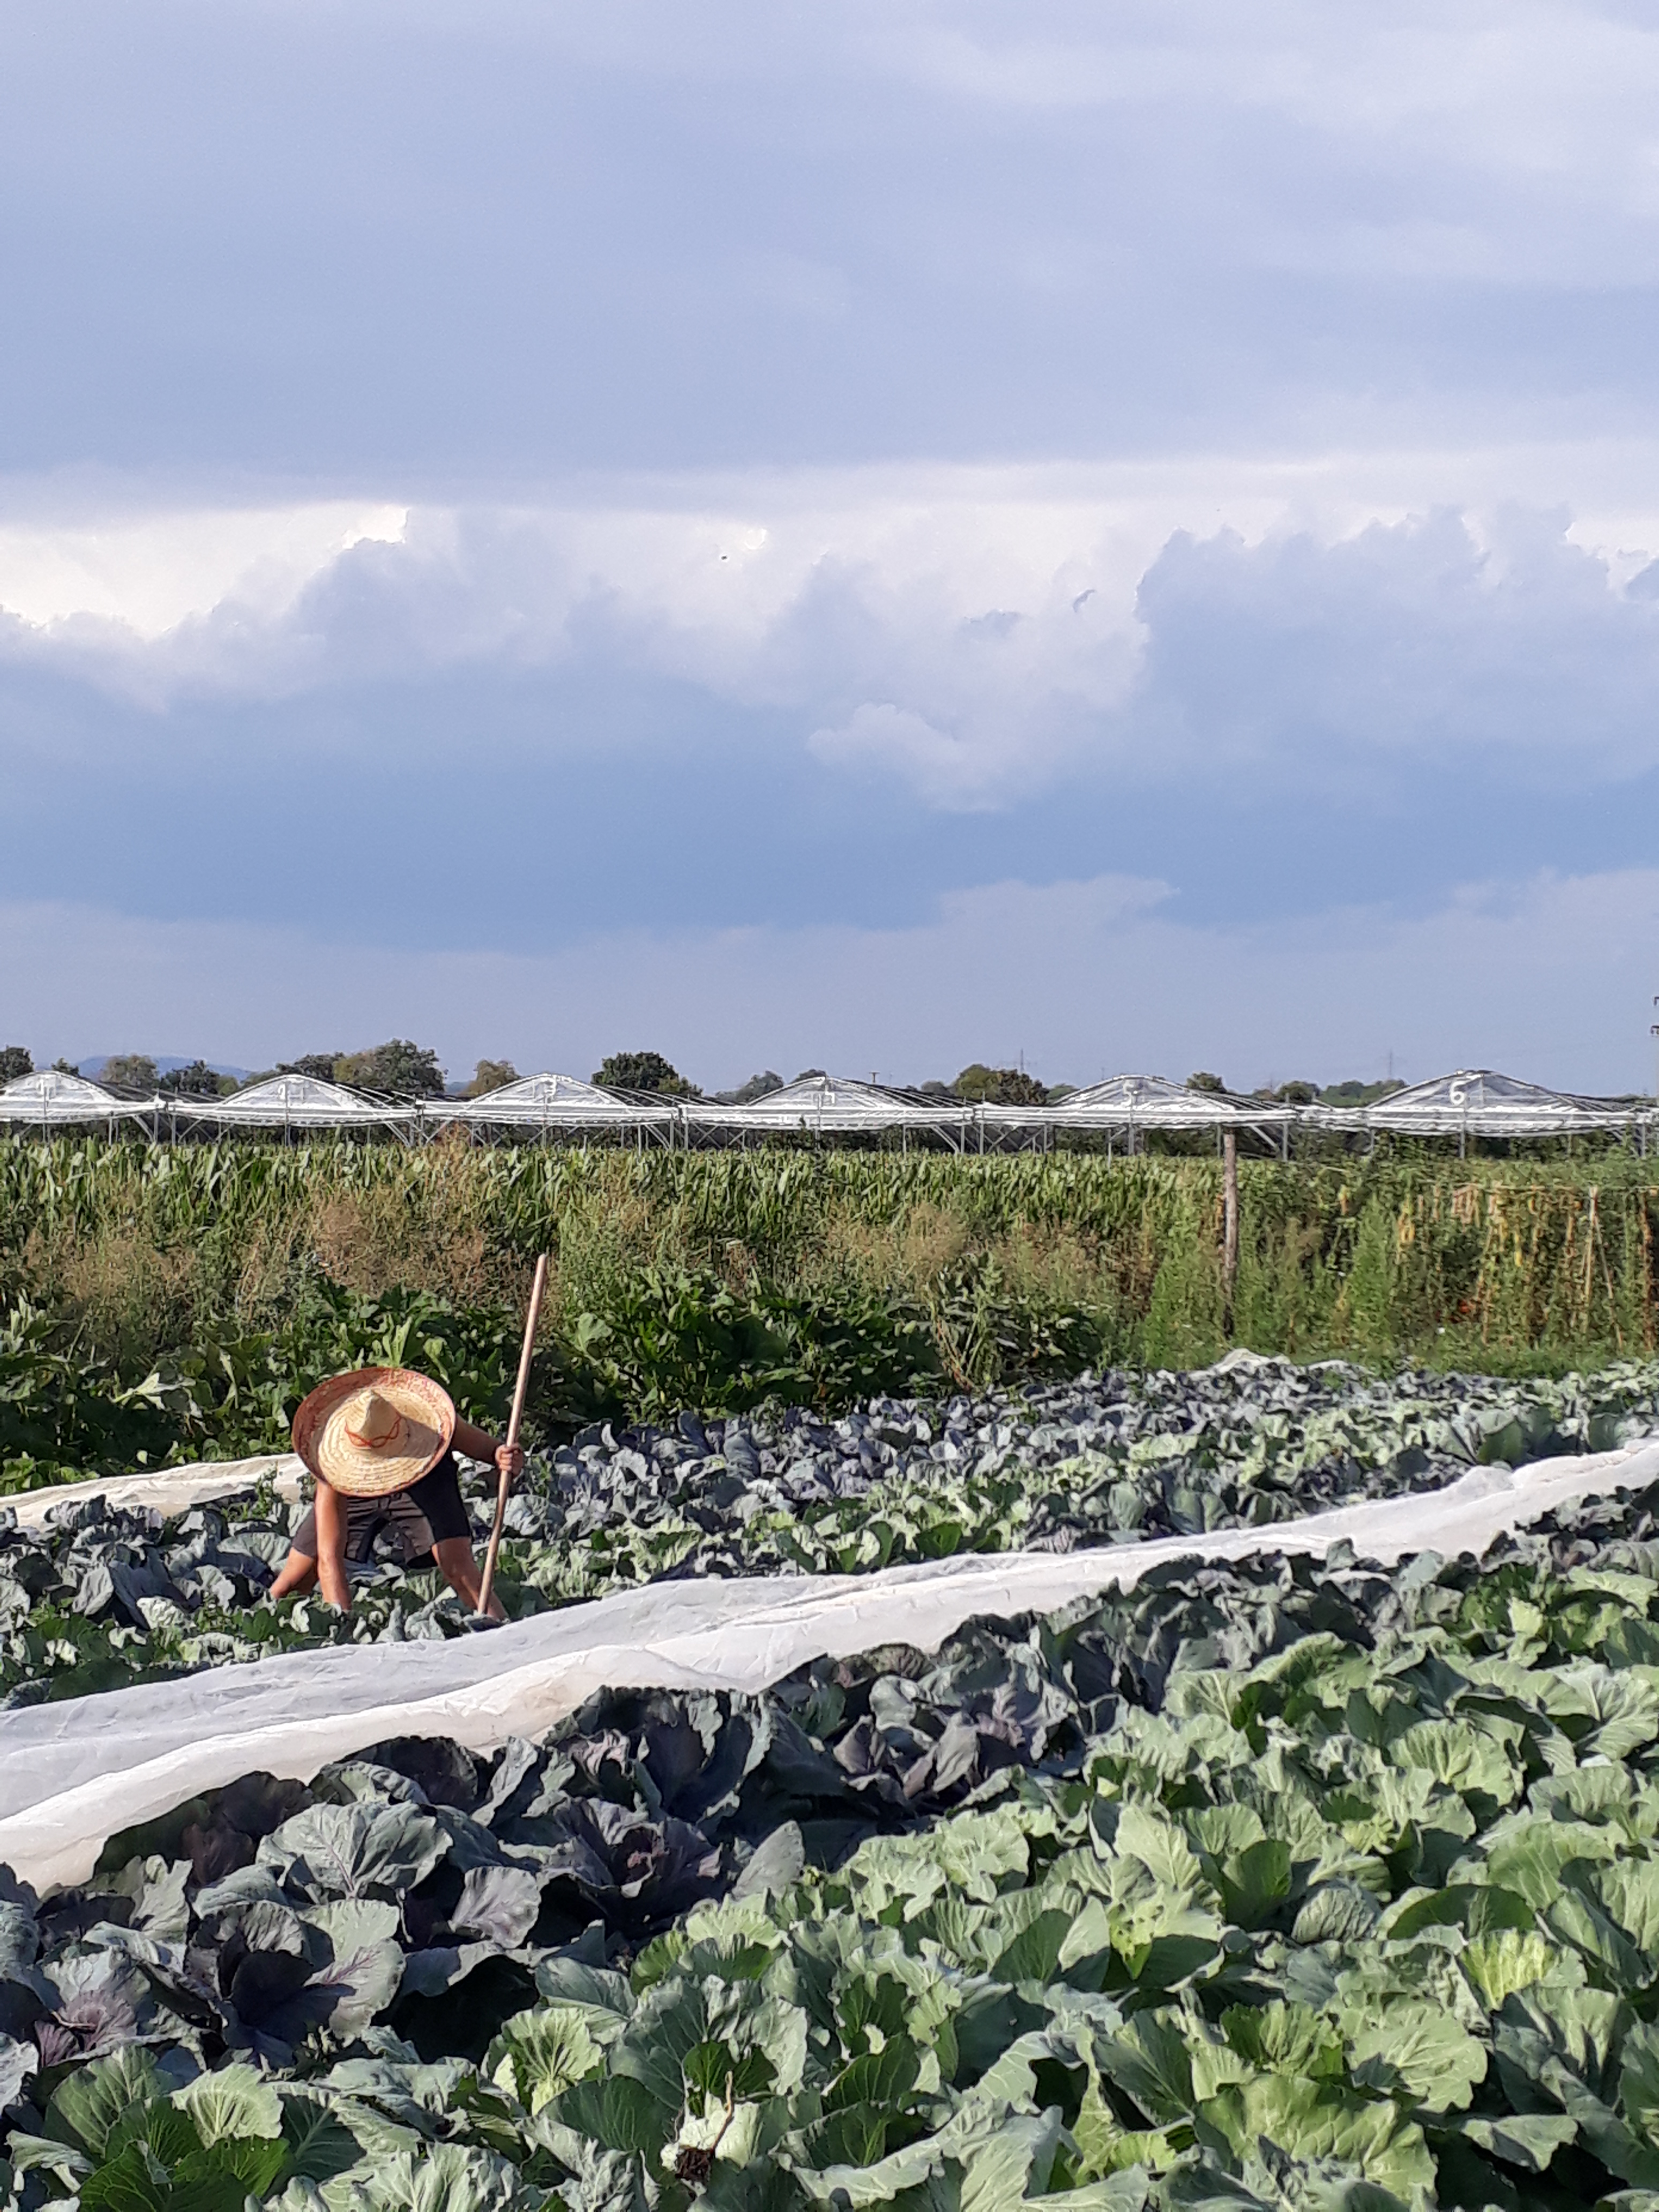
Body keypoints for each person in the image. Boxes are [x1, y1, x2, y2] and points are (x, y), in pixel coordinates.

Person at [270, 1365, 524, 1619]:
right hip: (354, 1488)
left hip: (423, 1474)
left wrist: (503, 1457)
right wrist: (341, 1625)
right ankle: (270, 1624)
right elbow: (330, 1559)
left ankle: (500, 1629)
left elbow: (490, 1451)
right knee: (294, 1579)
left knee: (458, 1567)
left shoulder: (433, 1425)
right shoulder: (332, 1468)